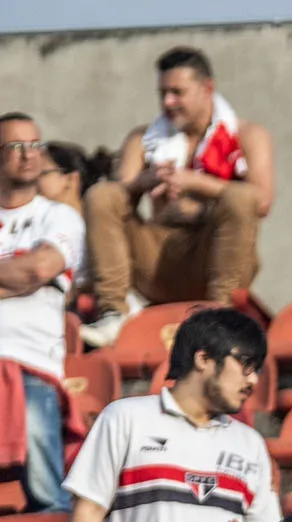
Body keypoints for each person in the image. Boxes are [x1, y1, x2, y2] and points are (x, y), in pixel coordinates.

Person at [54, 307, 272, 522]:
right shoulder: (125, 418)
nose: (254, 379)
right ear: (203, 358)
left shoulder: (251, 444)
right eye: (246, 363)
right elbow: (88, 510)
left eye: (258, 369)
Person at [76, 49, 274, 340]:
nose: (168, 102)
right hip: (157, 261)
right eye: (163, 93)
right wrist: (147, 180)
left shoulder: (248, 135)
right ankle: (113, 314)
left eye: (177, 92)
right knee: (103, 195)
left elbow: (263, 200)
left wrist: (195, 182)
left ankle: (220, 314)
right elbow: (118, 197)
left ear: (207, 88)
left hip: (215, 260)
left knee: (241, 198)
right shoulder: (143, 139)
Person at [0, 114, 83, 512]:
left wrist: (28, 274)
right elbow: (26, 273)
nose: (27, 155)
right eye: (14, 147)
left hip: (32, 368)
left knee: (47, 495)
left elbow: (38, 268)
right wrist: (16, 278)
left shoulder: (59, 216)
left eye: (34, 145)